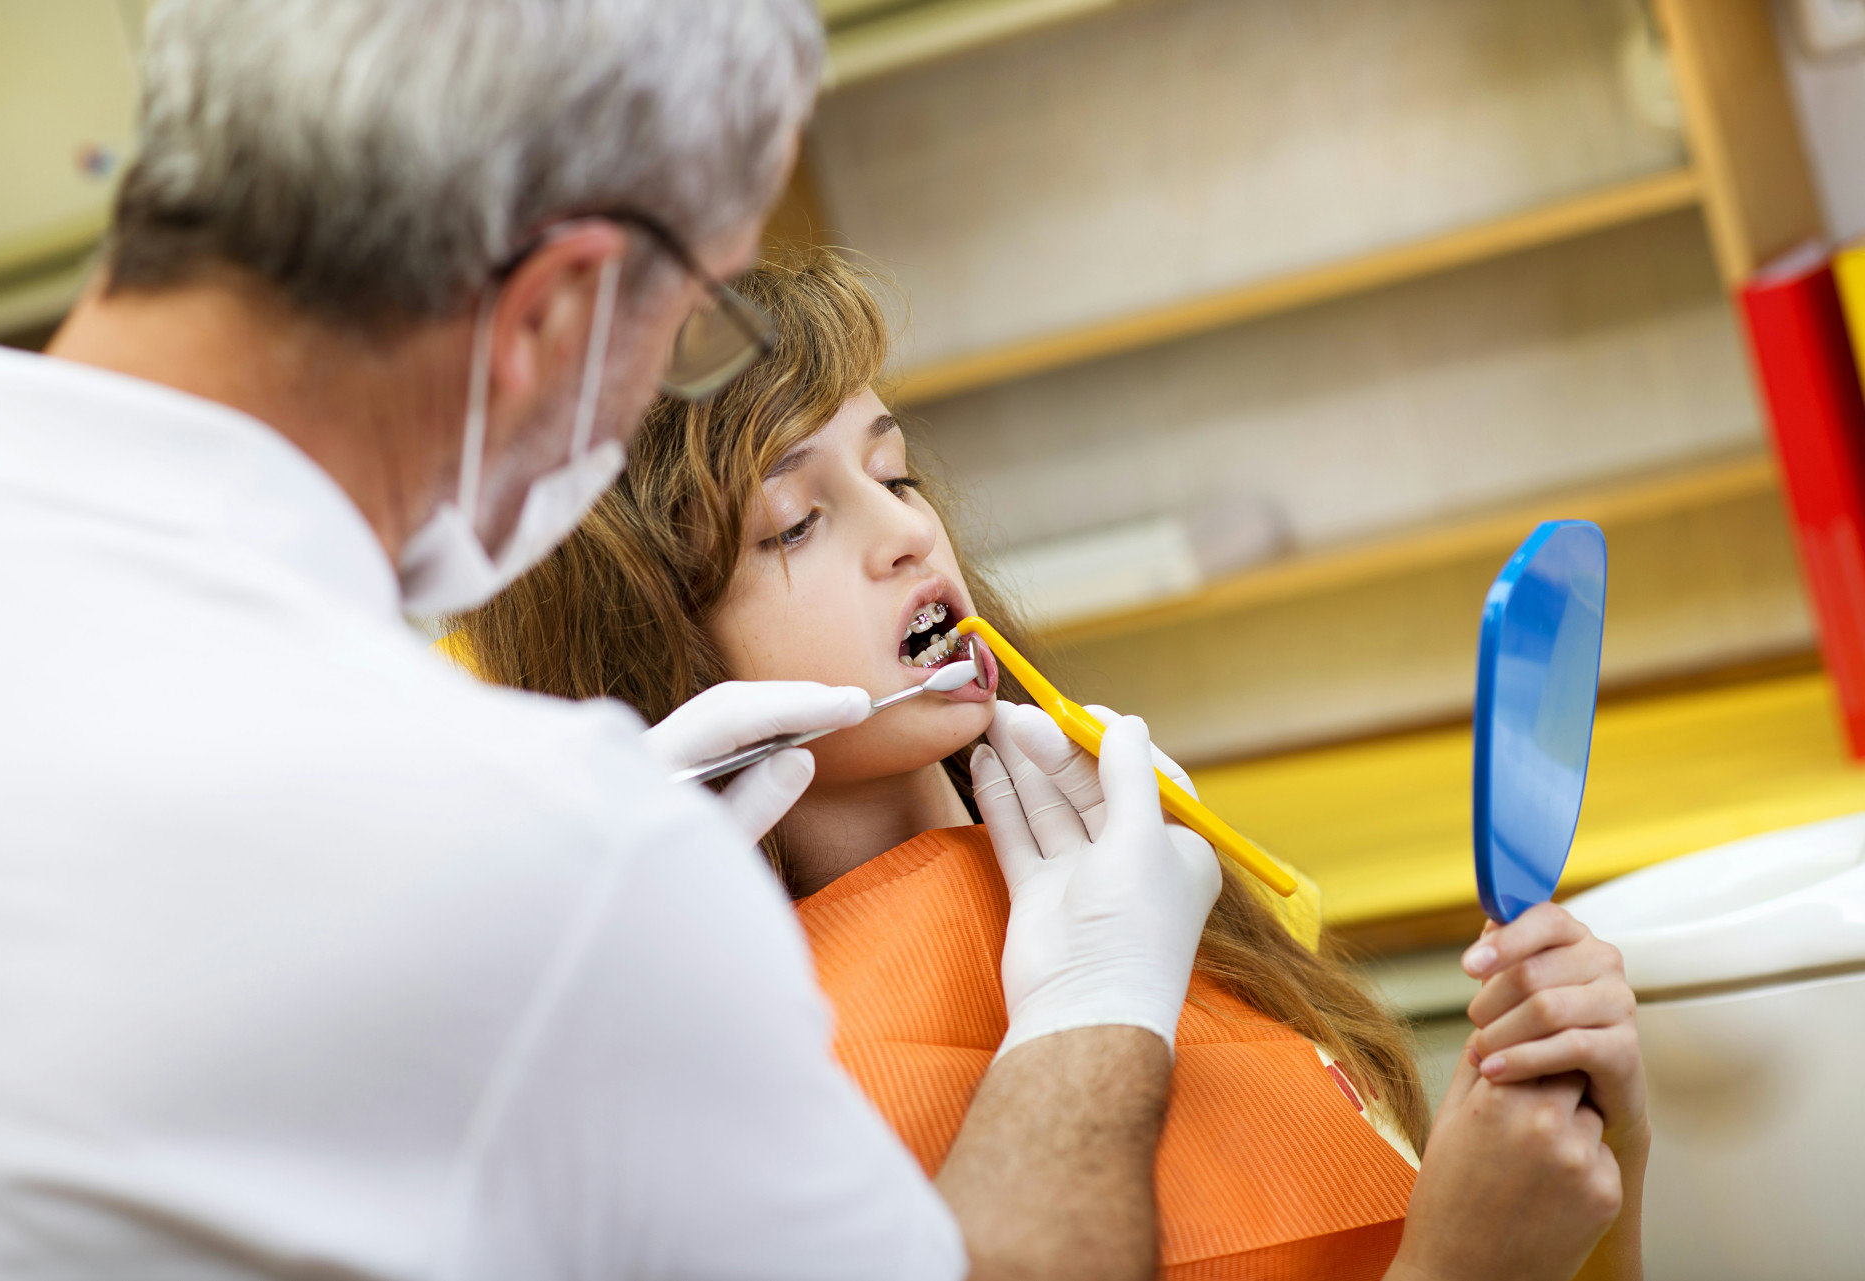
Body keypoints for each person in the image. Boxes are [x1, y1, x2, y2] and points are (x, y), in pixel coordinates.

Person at [459, 248, 1652, 1280]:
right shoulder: (755, 1109)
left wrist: (1584, 1164)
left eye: (895, 474)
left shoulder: (1140, 884)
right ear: (652, 652)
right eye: (796, 522)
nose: (908, 532)